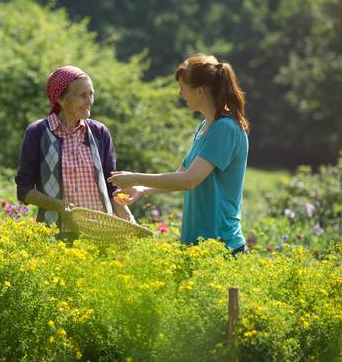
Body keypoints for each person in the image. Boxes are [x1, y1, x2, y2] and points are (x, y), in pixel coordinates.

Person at [108, 54, 249, 255]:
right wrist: (141, 188)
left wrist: (134, 177)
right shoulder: (206, 126)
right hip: (197, 244)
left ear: (199, 91)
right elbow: (180, 174)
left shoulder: (225, 128)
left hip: (221, 246)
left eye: (183, 88)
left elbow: (189, 180)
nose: (180, 94)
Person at [15, 65, 134, 240]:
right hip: (56, 235)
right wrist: (58, 205)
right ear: (62, 100)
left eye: (91, 94)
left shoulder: (99, 132)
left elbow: (111, 185)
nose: (89, 101)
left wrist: (128, 219)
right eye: (82, 96)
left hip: (101, 232)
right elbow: (24, 190)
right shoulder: (38, 132)